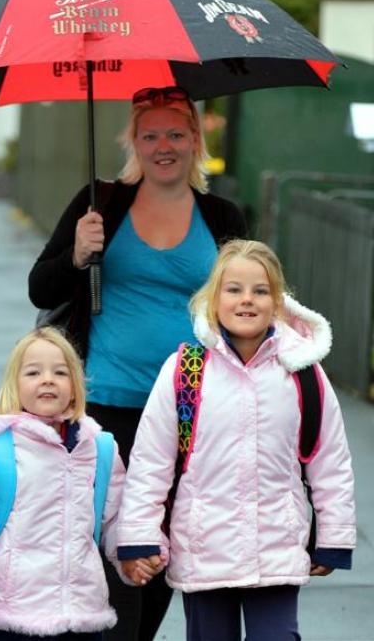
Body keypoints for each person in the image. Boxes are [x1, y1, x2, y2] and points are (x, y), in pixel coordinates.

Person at [28, 86, 247, 641]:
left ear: (195, 139)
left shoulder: (222, 215)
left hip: (192, 410)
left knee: (168, 548)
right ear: (134, 141)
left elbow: (247, 300)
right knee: (117, 546)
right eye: (150, 134)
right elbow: (40, 288)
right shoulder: (101, 203)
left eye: (176, 132)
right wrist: (77, 252)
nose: (163, 145)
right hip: (109, 403)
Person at [117, 239, 356, 641]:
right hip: (203, 552)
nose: (247, 300)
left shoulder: (302, 374)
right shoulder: (185, 371)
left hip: (276, 548)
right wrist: (139, 537)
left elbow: (330, 461)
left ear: (278, 301)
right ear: (213, 299)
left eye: (260, 290)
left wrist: (333, 537)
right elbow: (150, 463)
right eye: (234, 289)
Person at [0, 326, 143, 641]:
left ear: (77, 385)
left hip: (81, 619)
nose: (47, 379)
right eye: (33, 372)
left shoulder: (99, 450)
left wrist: (132, 553)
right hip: (7, 622)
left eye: (60, 372)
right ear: (14, 384)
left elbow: (117, 521)